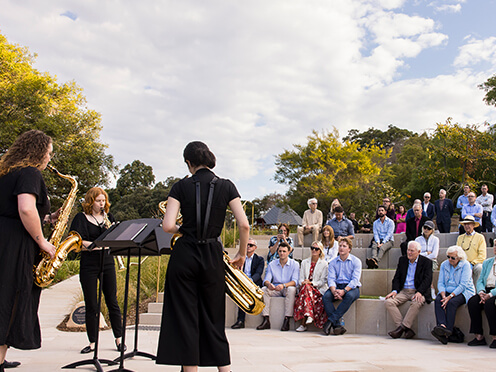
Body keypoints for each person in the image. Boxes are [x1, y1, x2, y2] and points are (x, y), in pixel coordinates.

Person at [156, 141, 249, 371]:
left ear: (189, 163)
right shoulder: (227, 186)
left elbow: (167, 226)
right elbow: (244, 225)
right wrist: (242, 254)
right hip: (211, 256)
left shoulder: (179, 187)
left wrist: (185, 229)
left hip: (185, 255)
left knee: (186, 320)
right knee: (213, 318)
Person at [0, 130, 57, 371]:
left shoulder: (6, 172)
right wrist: (42, 241)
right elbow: (25, 209)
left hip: (4, 237)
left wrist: (46, 218)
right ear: (38, 151)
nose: (49, 158)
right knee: (9, 302)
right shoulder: (30, 173)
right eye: (49, 153)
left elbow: (14, 210)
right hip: (15, 245)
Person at [69, 187, 124, 354]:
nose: (102, 204)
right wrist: (93, 245)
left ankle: (119, 340)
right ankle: (92, 342)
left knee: (112, 301)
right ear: (90, 201)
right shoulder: (81, 218)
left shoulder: (109, 217)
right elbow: (76, 239)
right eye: (98, 201)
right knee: (92, 304)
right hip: (89, 263)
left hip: (107, 261)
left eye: (103, 201)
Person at [385, 241, 433, 339]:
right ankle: (404, 328)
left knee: (416, 302)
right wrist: (394, 290)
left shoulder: (426, 262)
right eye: (408, 250)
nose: (409, 253)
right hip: (404, 291)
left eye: (412, 251)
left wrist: (420, 292)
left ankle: (401, 329)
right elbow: (397, 277)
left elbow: (427, 280)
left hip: (418, 291)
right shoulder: (402, 260)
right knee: (388, 302)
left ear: (419, 252)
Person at [431, 246, 475, 345]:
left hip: (464, 291)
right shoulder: (444, 265)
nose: (450, 259)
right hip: (447, 290)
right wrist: (443, 295)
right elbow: (441, 283)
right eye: (448, 257)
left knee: (452, 303)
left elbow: (463, 285)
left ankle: (448, 330)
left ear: (459, 258)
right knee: (438, 300)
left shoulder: (466, 265)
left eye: (453, 258)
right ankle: (442, 326)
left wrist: (449, 297)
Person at [322, 238, 361, 336]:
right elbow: (331, 279)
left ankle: (330, 321)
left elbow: (355, 280)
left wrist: (344, 291)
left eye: (344, 246)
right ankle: (337, 326)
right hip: (336, 286)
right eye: (340, 246)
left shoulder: (356, 261)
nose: (341, 248)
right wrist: (334, 291)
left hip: (351, 287)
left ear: (349, 249)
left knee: (350, 296)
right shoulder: (333, 262)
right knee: (326, 297)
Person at [257, 243, 299, 332]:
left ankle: (287, 319)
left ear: (288, 252)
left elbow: (295, 281)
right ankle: (266, 319)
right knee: (264, 290)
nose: (282, 253)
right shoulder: (272, 264)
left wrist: (283, 285)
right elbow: (266, 280)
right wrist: (269, 284)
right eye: (280, 251)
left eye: (284, 251)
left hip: (287, 287)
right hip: (275, 288)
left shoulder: (295, 264)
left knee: (292, 289)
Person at [294, 241, 329, 332]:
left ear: (320, 251)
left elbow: (322, 281)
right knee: (306, 289)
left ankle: (304, 323)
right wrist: (304, 283)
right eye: (312, 248)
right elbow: (300, 279)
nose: (314, 250)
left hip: (317, 289)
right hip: (305, 288)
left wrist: (311, 283)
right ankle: (309, 315)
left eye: (316, 249)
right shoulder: (305, 262)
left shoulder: (324, 264)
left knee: (307, 289)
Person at [467, 243, 496, 348]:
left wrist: (491, 294)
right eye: (495, 245)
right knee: (472, 302)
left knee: (490, 304)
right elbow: (480, 280)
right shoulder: (488, 262)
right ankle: (478, 336)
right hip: (485, 290)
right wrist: (481, 292)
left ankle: (495, 337)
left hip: (494, 292)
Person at [231, 238, 264, 329]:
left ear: (255, 247)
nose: (248, 246)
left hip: (253, 283)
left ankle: (241, 320)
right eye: (247, 245)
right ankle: (240, 321)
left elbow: (258, 273)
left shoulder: (259, 259)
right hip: (242, 283)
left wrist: (248, 282)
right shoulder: (240, 258)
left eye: (251, 245)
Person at [456, 216, 486, 284]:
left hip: (475, 263)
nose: (467, 226)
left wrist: (472, 263)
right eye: (465, 224)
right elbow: (457, 252)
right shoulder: (460, 238)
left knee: (479, 268)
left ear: (473, 225)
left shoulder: (480, 237)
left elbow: (482, 255)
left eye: (468, 224)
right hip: (463, 263)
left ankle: (477, 290)